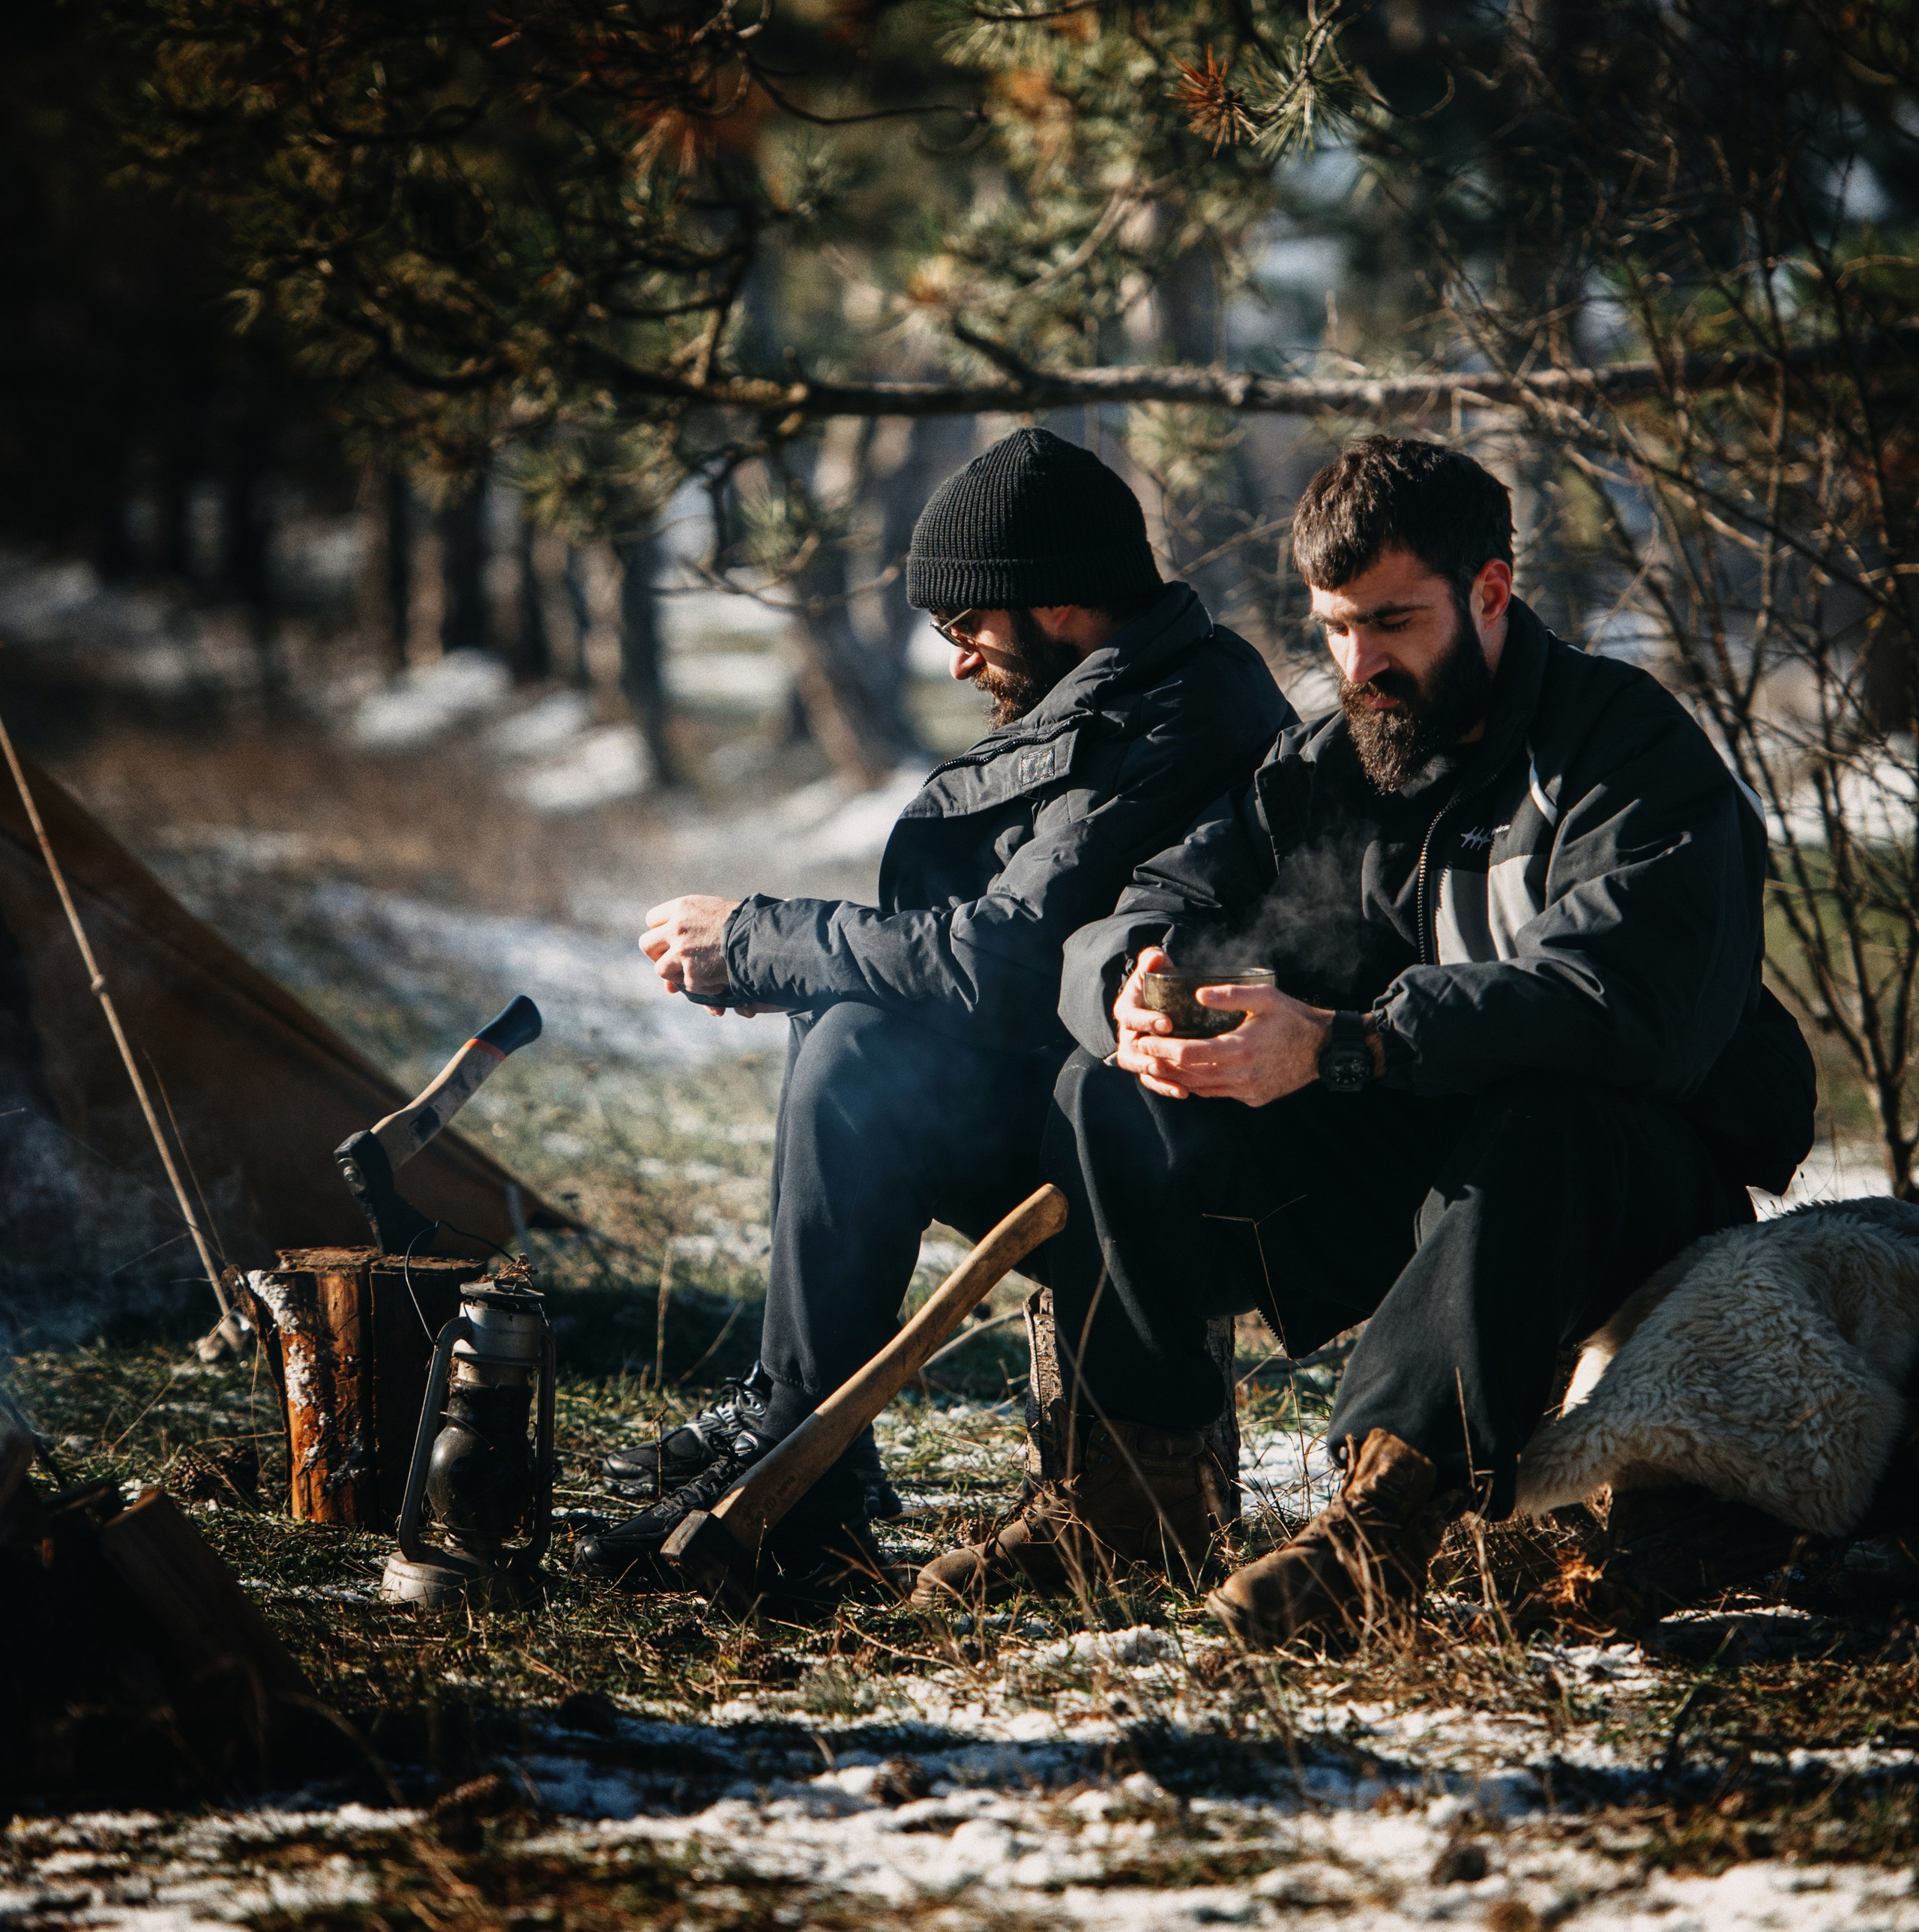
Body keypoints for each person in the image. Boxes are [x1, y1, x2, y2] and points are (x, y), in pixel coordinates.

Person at [915, 432, 1816, 1639]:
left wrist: (1348, 1044)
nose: (1360, 662)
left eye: (1393, 622)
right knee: (1105, 1090)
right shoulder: (1332, 755)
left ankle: (1381, 1526)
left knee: (1537, 1121)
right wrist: (1132, 978)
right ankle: (1131, 1498)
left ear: (1490, 591)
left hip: (1623, 1181)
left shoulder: (1628, 750)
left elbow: (1630, 1009)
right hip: (1412, 1159)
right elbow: (1149, 900)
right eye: (1336, 626)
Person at [578, 424, 1289, 1592]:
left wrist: (761, 940)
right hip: (1102, 1112)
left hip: (1183, 1165)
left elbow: (1003, 966)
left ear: (1055, 604)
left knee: (862, 1047)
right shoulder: (1136, 693)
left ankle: (802, 1463)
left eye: (966, 627)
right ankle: (809, 1444)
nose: (959, 663)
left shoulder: (1174, 722)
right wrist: (802, 966)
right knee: (857, 1023)